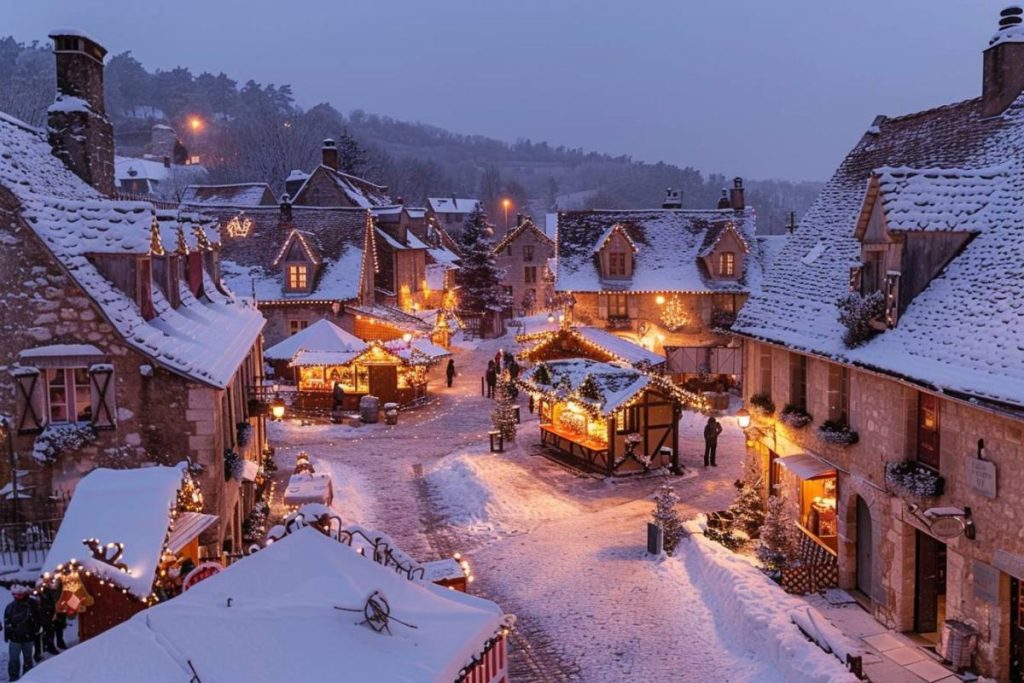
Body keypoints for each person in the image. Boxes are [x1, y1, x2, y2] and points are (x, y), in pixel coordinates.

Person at [5, 584, 39, 681]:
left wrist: (35, 631)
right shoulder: (10, 607)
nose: (17, 596)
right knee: (14, 660)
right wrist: (9, 635)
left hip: (28, 638)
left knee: (28, 658)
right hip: (15, 639)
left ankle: (27, 678)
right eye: (15, 595)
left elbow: (37, 619)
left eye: (20, 594)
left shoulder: (33, 604)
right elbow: (7, 621)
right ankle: (13, 678)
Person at [35, 579, 59, 656]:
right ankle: (47, 647)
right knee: (46, 632)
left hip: (50, 614)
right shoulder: (40, 592)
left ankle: (49, 646)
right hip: (43, 615)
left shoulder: (51, 591)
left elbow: (53, 600)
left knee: (50, 632)